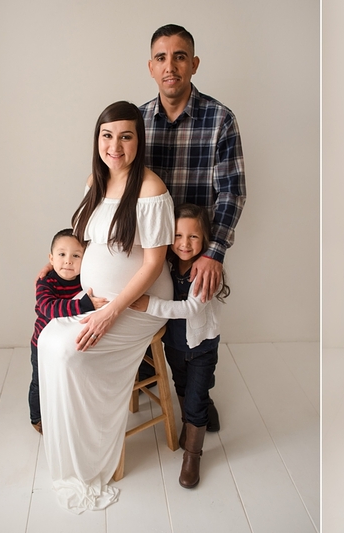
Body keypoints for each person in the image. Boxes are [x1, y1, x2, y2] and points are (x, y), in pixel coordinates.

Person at [37, 101, 175, 513]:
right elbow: (85, 238)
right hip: (97, 302)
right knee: (48, 340)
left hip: (140, 305)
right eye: (107, 135)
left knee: (67, 349)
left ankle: (93, 445)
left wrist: (111, 311)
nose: (115, 145)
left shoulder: (151, 189)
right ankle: (73, 434)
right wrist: (50, 265)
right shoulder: (94, 183)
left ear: (139, 141)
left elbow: (153, 264)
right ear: (98, 139)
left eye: (126, 136)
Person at [138, 24, 246, 424]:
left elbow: (232, 193)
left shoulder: (220, 119)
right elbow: (113, 190)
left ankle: (193, 396)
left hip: (193, 252)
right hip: (147, 250)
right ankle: (147, 377)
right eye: (162, 58)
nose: (171, 66)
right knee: (142, 318)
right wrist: (70, 251)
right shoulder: (138, 122)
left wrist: (214, 253)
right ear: (151, 67)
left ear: (194, 64)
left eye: (180, 56)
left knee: (194, 333)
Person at [130, 203, 228, 489]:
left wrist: (150, 305)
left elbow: (189, 308)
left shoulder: (206, 272)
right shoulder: (167, 267)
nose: (185, 244)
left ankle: (193, 454)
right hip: (174, 344)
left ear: (205, 238)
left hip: (202, 346)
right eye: (178, 236)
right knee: (183, 386)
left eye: (193, 237)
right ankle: (196, 416)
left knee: (197, 391)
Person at [29, 229, 107, 434]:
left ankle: (64, 414)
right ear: (51, 258)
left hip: (69, 346)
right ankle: (37, 416)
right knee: (40, 382)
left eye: (76, 256)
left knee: (64, 384)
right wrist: (83, 306)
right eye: (62, 254)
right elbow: (49, 308)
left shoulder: (86, 281)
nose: (68, 261)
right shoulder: (46, 281)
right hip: (42, 344)